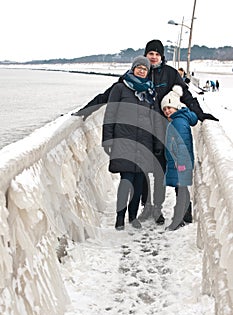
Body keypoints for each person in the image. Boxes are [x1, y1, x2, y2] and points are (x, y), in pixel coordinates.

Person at [73, 39, 219, 224]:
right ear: (145, 55)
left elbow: (187, 96)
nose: (154, 57)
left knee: (174, 168)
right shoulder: (136, 75)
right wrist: (85, 111)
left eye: (157, 54)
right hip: (145, 133)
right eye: (151, 53)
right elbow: (108, 95)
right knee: (147, 172)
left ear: (161, 56)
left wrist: (201, 114)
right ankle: (152, 208)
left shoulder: (171, 74)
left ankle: (183, 209)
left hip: (168, 129)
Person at [102, 55, 164, 231]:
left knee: (138, 182)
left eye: (145, 69)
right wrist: (107, 138)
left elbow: (156, 119)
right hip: (124, 141)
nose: (142, 71)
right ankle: (120, 217)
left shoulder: (150, 93)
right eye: (139, 68)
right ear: (133, 68)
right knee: (126, 180)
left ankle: (133, 216)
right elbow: (110, 113)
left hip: (144, 143)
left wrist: (158, 142)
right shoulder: (120, 88)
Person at [160, 85, 198, 230]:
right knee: (180, 189)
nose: (167, 111)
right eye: (164, 109)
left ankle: (180, 218)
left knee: (181, 190)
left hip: (179, 163)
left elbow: (182, 144)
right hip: (178, 162)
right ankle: (186, 215)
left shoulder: (178, 122)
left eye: (170, 107)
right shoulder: (179, 120)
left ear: (177, 106)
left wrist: (180, 163)